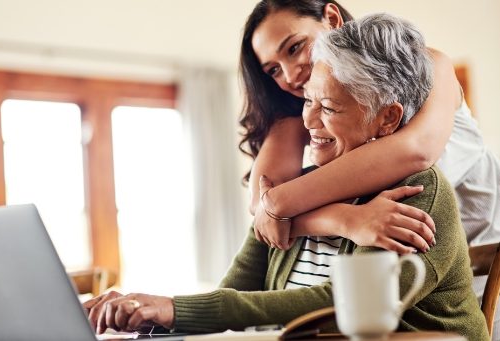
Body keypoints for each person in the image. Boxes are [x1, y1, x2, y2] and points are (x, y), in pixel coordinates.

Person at [83, 14, 488, 341]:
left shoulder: (417, 192)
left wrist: (177, 309)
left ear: (386, 119)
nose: (307, 120)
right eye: (307, 99)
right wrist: (155, 314)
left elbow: (340, 309)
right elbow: (237, 290)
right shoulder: (303, 186)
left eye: (327, 107)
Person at [240, 2, 500, 337]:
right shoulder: (306, 109)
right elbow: (261, 206)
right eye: (273, 70)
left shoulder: (427, 66)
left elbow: (415, 151)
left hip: (483, 268)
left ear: (331, 18)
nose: (290, 75)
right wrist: (343, 220)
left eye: (294, 48)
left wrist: (280, 206)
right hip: (404, 275)